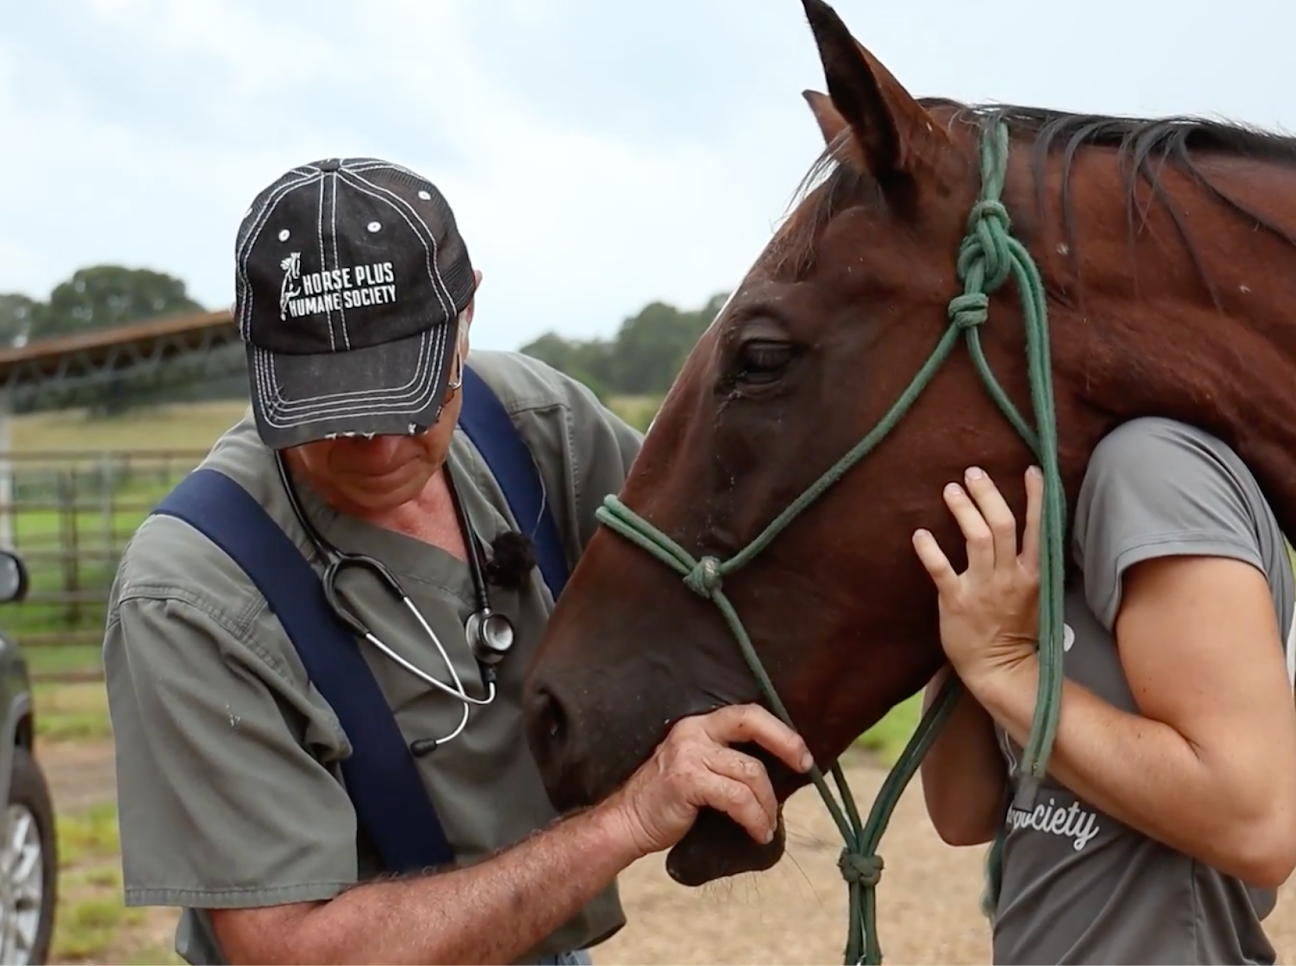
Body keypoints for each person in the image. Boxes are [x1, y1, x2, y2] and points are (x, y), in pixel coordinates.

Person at [101, 157, 812, 966]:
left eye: (407, 394)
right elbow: (291, 951)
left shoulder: (536, 428)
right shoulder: (190, 591)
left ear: (466, 311)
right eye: (331, 411)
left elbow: (742, 570)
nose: (378, 447)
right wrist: (626, 821)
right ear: (260, 361)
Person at [911, 420, 1296, 966]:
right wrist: (969, 635)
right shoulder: (1045, 484)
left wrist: (1003, 668)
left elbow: (1254, 826)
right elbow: (964, 814)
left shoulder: (1152, 471)